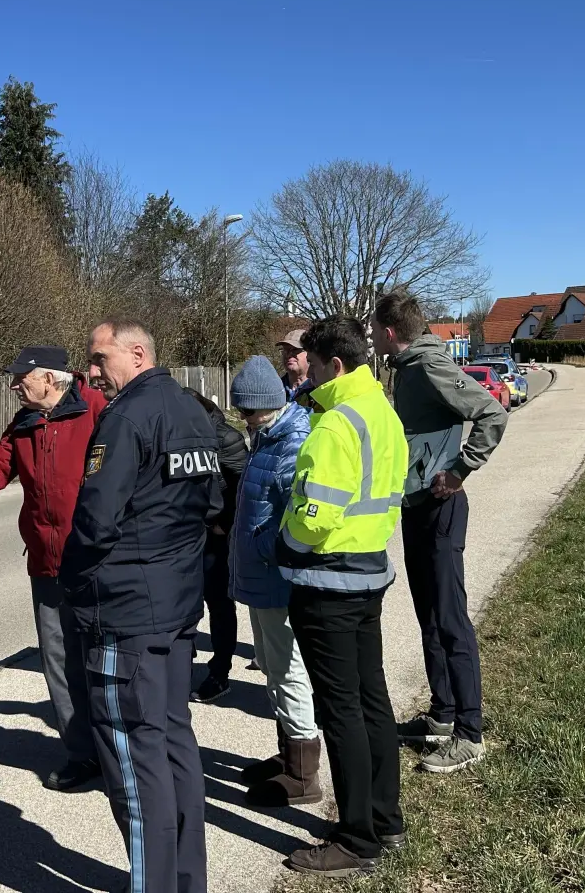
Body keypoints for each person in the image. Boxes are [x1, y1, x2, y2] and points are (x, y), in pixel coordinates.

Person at [60, 318, 219, 893]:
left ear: (136, 352)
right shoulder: (191, 410)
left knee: (132, 756)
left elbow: (95, 519)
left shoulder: (126, 417)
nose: (91, 372)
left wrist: (72, 582)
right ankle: (185, 880)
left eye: (99, 359)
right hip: (176, 605)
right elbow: (211, 502)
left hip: (126, 613)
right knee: (173, 740)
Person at [276, 317, 408, 877]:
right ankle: (384, 818)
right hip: (368, 573)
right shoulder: (381, 411)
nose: (306, 375)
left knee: (341, 711)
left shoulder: (334, 425)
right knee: (371, 700)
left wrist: (284, 541)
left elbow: (314, 517)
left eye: (312, 364)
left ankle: (356, 839)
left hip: (326, 582)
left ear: (334, 365)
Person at [0, 344, 107, 792]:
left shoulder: (98, 410)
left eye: (22, 378)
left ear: (49, 378)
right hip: (46, 564)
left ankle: (120, 752)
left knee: (104, 660)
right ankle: (81, 754)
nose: (14, 386)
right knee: (59, 661)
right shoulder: (25, 422)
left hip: (97, 562)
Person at [370, 291, 506, 774]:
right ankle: (443, 715)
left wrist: (461, 469)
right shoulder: (407, 367)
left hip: (441, 506)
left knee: (450, 620)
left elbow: (492, 413)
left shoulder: (429, 367)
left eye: (374, 330)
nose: (372, 337)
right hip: (416, 505)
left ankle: (470, 733)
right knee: (429, 616)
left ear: (389, 332)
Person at [225, 356, 321, 808]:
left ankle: (303, 774)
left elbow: (291, 517)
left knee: (287, 670)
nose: (244, 418)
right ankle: (287, 753)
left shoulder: (292, 442)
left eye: (248, 410)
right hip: (260, 577)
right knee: (269, 665)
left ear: (269, 403)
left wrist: (261, 548)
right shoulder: (266, 436)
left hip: (277, 578)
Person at [185, 387, 248, 704]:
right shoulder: (175, 435)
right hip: (185, 533)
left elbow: (243, 487)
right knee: (183, 603)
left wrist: (226, 523)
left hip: (216, 535)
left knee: (220, 605)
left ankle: (220, 672)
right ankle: (181, 665)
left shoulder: (226, 438)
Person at [277, 328, 314, 405]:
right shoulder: (275, 389)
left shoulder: (318, 389)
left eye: (295, 350)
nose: (288, 354)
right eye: (285, 350)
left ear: (310, 353)